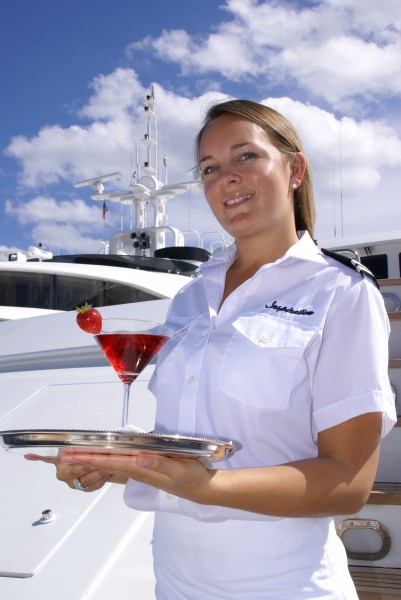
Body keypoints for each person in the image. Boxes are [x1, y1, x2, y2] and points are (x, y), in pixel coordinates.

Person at [26, 99, 397, 599]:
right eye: (209, 168)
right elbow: (183, 450)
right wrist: (112, 464)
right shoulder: (189, 296)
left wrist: (207, 487)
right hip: (176, 581)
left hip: (284, 585)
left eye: (246, 157)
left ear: (295, 169)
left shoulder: (340, 293)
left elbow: (346, 482)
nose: (226, 177)